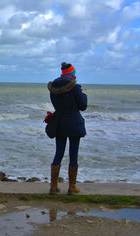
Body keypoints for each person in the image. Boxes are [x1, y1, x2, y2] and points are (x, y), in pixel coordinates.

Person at [47, 62, 87, 195]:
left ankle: (53, 187)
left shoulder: (53, 88)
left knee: (58, 153)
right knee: (73, 154)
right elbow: (82, 106)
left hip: (60, 123)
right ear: (72, 74)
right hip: (74, 123)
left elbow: (56, 105)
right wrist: (84, 94)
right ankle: (72, 187)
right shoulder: (76, 88)